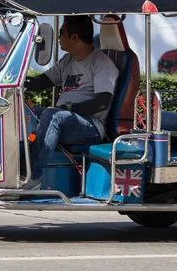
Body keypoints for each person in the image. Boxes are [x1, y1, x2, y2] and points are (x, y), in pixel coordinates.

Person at [23, 15, 119, 190]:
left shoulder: (101, 63)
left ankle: (30, 177)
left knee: (53, 116)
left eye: (61, 33)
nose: (59, 38)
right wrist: (18, 84)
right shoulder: (68, 60)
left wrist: (65, 108)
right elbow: (43, 81)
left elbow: (102, 103)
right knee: (26, 111)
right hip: (66, 118)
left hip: (90, 126)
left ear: (75, 37)